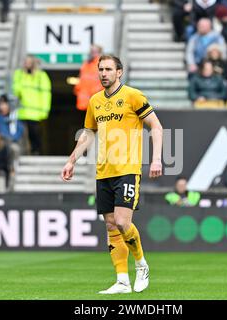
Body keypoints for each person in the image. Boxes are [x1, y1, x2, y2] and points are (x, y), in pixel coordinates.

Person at [61, 55, 163, 295]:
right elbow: (88, 133)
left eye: (108, 69)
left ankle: (141, 264)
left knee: (122, 222)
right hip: (103, 171)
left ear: (119, 72)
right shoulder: (95, 101)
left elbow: (156, 126)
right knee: (110, 226)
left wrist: (157, 158)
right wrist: (71, 160)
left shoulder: (133, 96)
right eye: (100, 69)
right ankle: (121, 280)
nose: (103, 73)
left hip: (127, 169)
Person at [13, 55, 52, 155]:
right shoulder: (19, 74)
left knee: (34, 134)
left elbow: (45, 94)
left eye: (29, 62)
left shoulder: (41, 76)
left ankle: (36, 151)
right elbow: (15, 90)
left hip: (35, 112)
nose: (27, 64)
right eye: (26, 62)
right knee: (22, 134)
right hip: (22, 111)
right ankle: (26, 151)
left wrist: (45, 110)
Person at [73, 45, 103, 111]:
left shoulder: (102, 65)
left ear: (100, 53)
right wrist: (77, 89)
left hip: (97, 102)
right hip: (84, 102)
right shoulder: (86, 64)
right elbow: (81, 79)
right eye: (91, 51)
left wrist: (96, 91)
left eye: (95, 51)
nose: (92, 53)